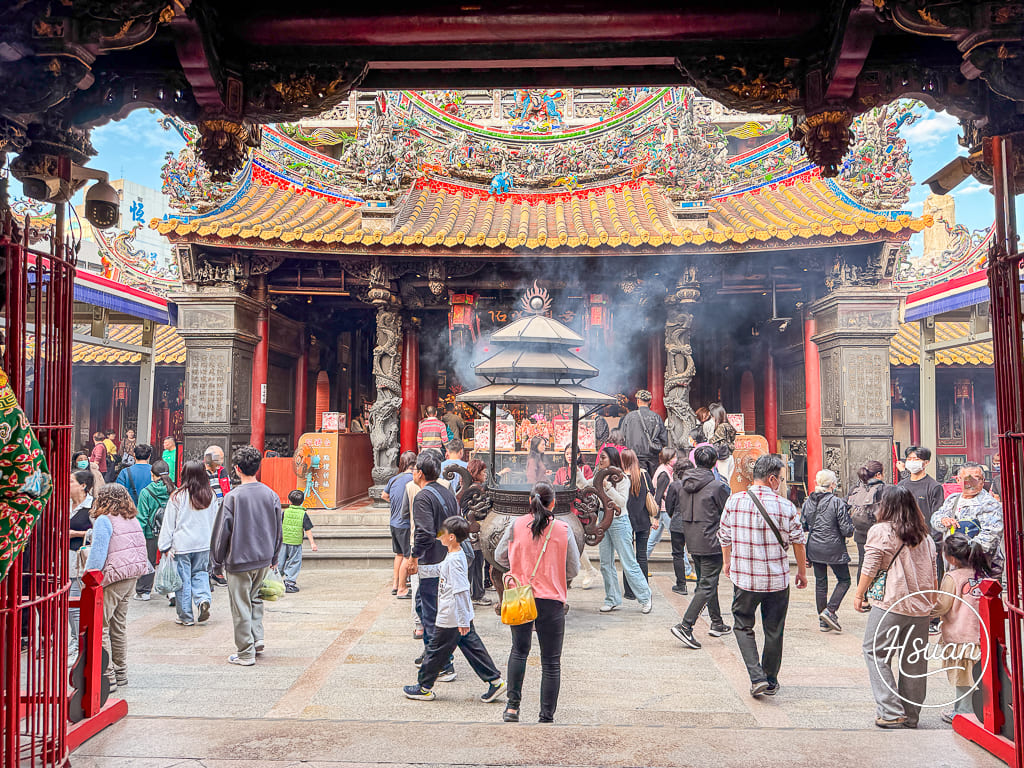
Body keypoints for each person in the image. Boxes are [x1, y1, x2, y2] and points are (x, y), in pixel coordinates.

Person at [719, 454, 807, 697]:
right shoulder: (786, 506)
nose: (780, 482)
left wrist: (727, 563)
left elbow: (724, 537)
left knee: (742, 625)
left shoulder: (734, 502)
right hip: (777, 580)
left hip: (746, 578)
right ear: (771, 479)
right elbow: (799, 542)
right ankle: (769, 679)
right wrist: (801, 571)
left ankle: (756, 676)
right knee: (774, 629)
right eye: (780, 478)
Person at [854, 485, 937, 729]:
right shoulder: (926, 536)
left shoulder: (881, 531)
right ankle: (911, 715)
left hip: (891, 603)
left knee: (875, 652)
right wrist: (930, 603)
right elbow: (933, 572)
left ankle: (890, 711)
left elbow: (870, 567)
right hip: (921, 607)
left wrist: (859, 594)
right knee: (914, 659)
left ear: (885, 506)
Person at [495, 481, 579, 722]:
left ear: (529, 501)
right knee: (551, 662)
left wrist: (519, 564)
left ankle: (512, 707)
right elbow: (572, 569)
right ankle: (546, 715)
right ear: (553, 502)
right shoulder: (563, 529)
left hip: (521, 596)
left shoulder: (515, 524)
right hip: (551, 600)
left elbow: (501, 556)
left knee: (519, 651)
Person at [403, 516, 506, 703]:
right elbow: (441, 570)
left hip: (451, 615)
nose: (439, 535)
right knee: (473, 649)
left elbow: (461, 590)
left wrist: (462, 620)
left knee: (435, 650)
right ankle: (495, 680)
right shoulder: (453, 556)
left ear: (451, 537)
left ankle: (424, 686)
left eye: (443, 532)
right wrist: (419, 569)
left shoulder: (455, 559)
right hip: (457, 615)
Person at [210, 446, 283, 666]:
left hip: (239, 559)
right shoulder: (271, 495)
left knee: (240, 604)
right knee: (255, 599)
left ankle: (245, 652)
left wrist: (216, 562)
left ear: (237, 469)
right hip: (263, 558)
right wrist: (274, 556)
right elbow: (278, 529)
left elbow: (223, 533)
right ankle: (257, 638)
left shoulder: (232, 497)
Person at [82, 484, 152, 690]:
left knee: (102, 626)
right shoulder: (131, 518)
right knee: (118, 625)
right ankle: (121, 672)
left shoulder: (104, 520)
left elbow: (98, 553)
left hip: (113, 577)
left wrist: (89, 574)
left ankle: (107, 674)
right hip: (131, 576)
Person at [668, 446, 732, 648]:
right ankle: (686, 625)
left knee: (707, 582)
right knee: (707, 584)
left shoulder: (682, 484)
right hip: (712, 539)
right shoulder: (717, 486)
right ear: (714, 463)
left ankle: (717, 622)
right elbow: (727, 513)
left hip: (693, 538)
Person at [579, 446, 653, 614]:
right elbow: (584, 486)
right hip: (604, 521)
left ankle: (645, 596)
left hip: (620, 522)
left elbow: (621, 502)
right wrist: (577, 471)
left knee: (628, 562)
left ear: (612, 459)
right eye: (600, 458)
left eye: (603, 458)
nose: (600, 461)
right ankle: (612, 598)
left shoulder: (621, 478)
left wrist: (607, 487)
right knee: (605, 563)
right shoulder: (599, 476)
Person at [931, 534, 994, 724]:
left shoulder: (953, 577)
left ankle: (964, 711)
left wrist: (926, 612)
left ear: (950, 557)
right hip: (981, 635)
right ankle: (982, 709)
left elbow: (943, 605)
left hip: (960, 636)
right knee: (978, 675)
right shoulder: (981, 575)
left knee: (962, 676)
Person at [410, 450, 461, 677]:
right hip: (448, 557)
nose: (413, 471)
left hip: (432, 560)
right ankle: (432, 653)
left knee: (431, 612)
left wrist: (413, 556)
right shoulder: (446, 491)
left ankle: (442, 662)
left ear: (420, 472)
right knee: (426, 605)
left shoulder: (423, 497)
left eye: (414, 468)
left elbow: (424, 532)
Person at [159, 461, 218, 626]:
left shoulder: (178, 496)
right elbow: (215, 519)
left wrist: (165, 545)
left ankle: (185, 616)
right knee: (200, 574)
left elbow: (169, 523)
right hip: (204, 543)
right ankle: (203, 600)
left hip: (182, 545)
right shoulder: (210, 495)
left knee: (183, 580)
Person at [898, 445, 945, 632]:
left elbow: (937, 517)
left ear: (926, 463)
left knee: (930, 581)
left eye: (916, 459)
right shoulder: (901, 486)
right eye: (909, 458)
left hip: (927, 542)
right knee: (908, 581)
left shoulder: (934, 487)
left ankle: (933, 619)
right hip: (905, 541)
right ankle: (910, 616)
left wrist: (933, 543)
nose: (912, 462)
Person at [801, 469, 854, 633]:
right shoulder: (837, 502)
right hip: (833, 547)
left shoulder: (807, 502)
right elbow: (847, 530)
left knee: (820, 583)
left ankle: (823, 622)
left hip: (814, 546)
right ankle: (829, 610)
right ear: (832, 484)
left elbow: (803, 525)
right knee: (844, 580)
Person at [931, 463, 1004, 575]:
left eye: (977, 478)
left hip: (981, 568)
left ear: (983, 481)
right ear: (958, 480)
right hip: (953, 566)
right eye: (967, 478)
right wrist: (943, 520)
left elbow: (991, 537)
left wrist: (962, 552)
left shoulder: (990, 504)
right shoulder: (953, 499)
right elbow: (936, 517)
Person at [133, 460, 174, 601]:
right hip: (170, 532)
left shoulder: (146, 492)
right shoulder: (175, 490)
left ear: (152, 474)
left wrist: (140, 537)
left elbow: (142, 517)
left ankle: (144, 591)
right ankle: (171, 590)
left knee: (149, 560)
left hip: (151, 532)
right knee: (170, 559)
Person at [620, 448, 657, 600]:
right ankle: (643, 589)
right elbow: (652, 492)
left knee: (628, 557)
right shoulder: (643, 474)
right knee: (641, 556)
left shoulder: (620, 477)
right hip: (643, 520)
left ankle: (629, 591)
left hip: (626, 521)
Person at [69, 469, 95, 657]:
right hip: (63, 559)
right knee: (68, 604)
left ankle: (80, 644)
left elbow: (99, 532)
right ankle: (74, 639)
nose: (68, 485)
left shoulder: (92, 506)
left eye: (71, 482)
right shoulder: (65, 505)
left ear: (83, 486)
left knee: (75, 604)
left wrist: (77, 534)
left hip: (80, 559)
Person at [383, 451, 417, 598]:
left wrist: (395, 502)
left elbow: (384, 495)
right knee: (407, 556)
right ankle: (402, 589)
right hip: (405, 523)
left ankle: (395, 584)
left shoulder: (394, 479)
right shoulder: (413, 480)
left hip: (394, 522)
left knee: (399, 554)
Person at [848, 460, 886, 580]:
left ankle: (861, 594)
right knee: (879, 565)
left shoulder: (856, 488)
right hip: (878, 534)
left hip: (860, 533)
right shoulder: (883, 489)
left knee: (863, 563)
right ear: (878, 475)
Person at [618, 390, 668, 474]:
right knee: (651, 482)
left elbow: (621, 437)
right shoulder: (656, 417)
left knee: (637, 482)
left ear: (638, 401)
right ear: (649, 401)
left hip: (634, 456)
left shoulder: (629, 417)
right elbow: (664, 438)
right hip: (652, 456)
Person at [279, 489, 317, 593]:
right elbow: (307, 529)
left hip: (283, 541)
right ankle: (289, 583)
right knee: (294, 561)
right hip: (295, 542)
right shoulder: (303, 514)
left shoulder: (284, 513)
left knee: (280, 561)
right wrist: (312, 543)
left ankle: (275, 581)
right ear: (302, 501)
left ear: (289, 501)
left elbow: (278, 527)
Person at [204, 445, 231, 586]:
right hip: (206, 512)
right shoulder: (201, 472)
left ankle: (217, 571)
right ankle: (207, 572)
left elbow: (228, 488)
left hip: (222, 510)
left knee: (221, 543)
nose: (219, 464)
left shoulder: (222, 471)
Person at [646, 447, 676, 560]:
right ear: (668, 459)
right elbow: (658, 496)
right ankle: (687, 569)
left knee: (651, 541)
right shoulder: (664, 474)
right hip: (664, 510)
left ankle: (641, 566)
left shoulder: (664, 470)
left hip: (663, 511)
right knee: (677, 540)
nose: (676, 459)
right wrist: (656, 518)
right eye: (674, 457)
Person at [707, 404, 736, 481]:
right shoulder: (728, 425)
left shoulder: (720, 427)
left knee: (723, 480)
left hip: (722, 457)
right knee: (727, 480)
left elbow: (713, 441)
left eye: (712, 416)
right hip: (729, 455)